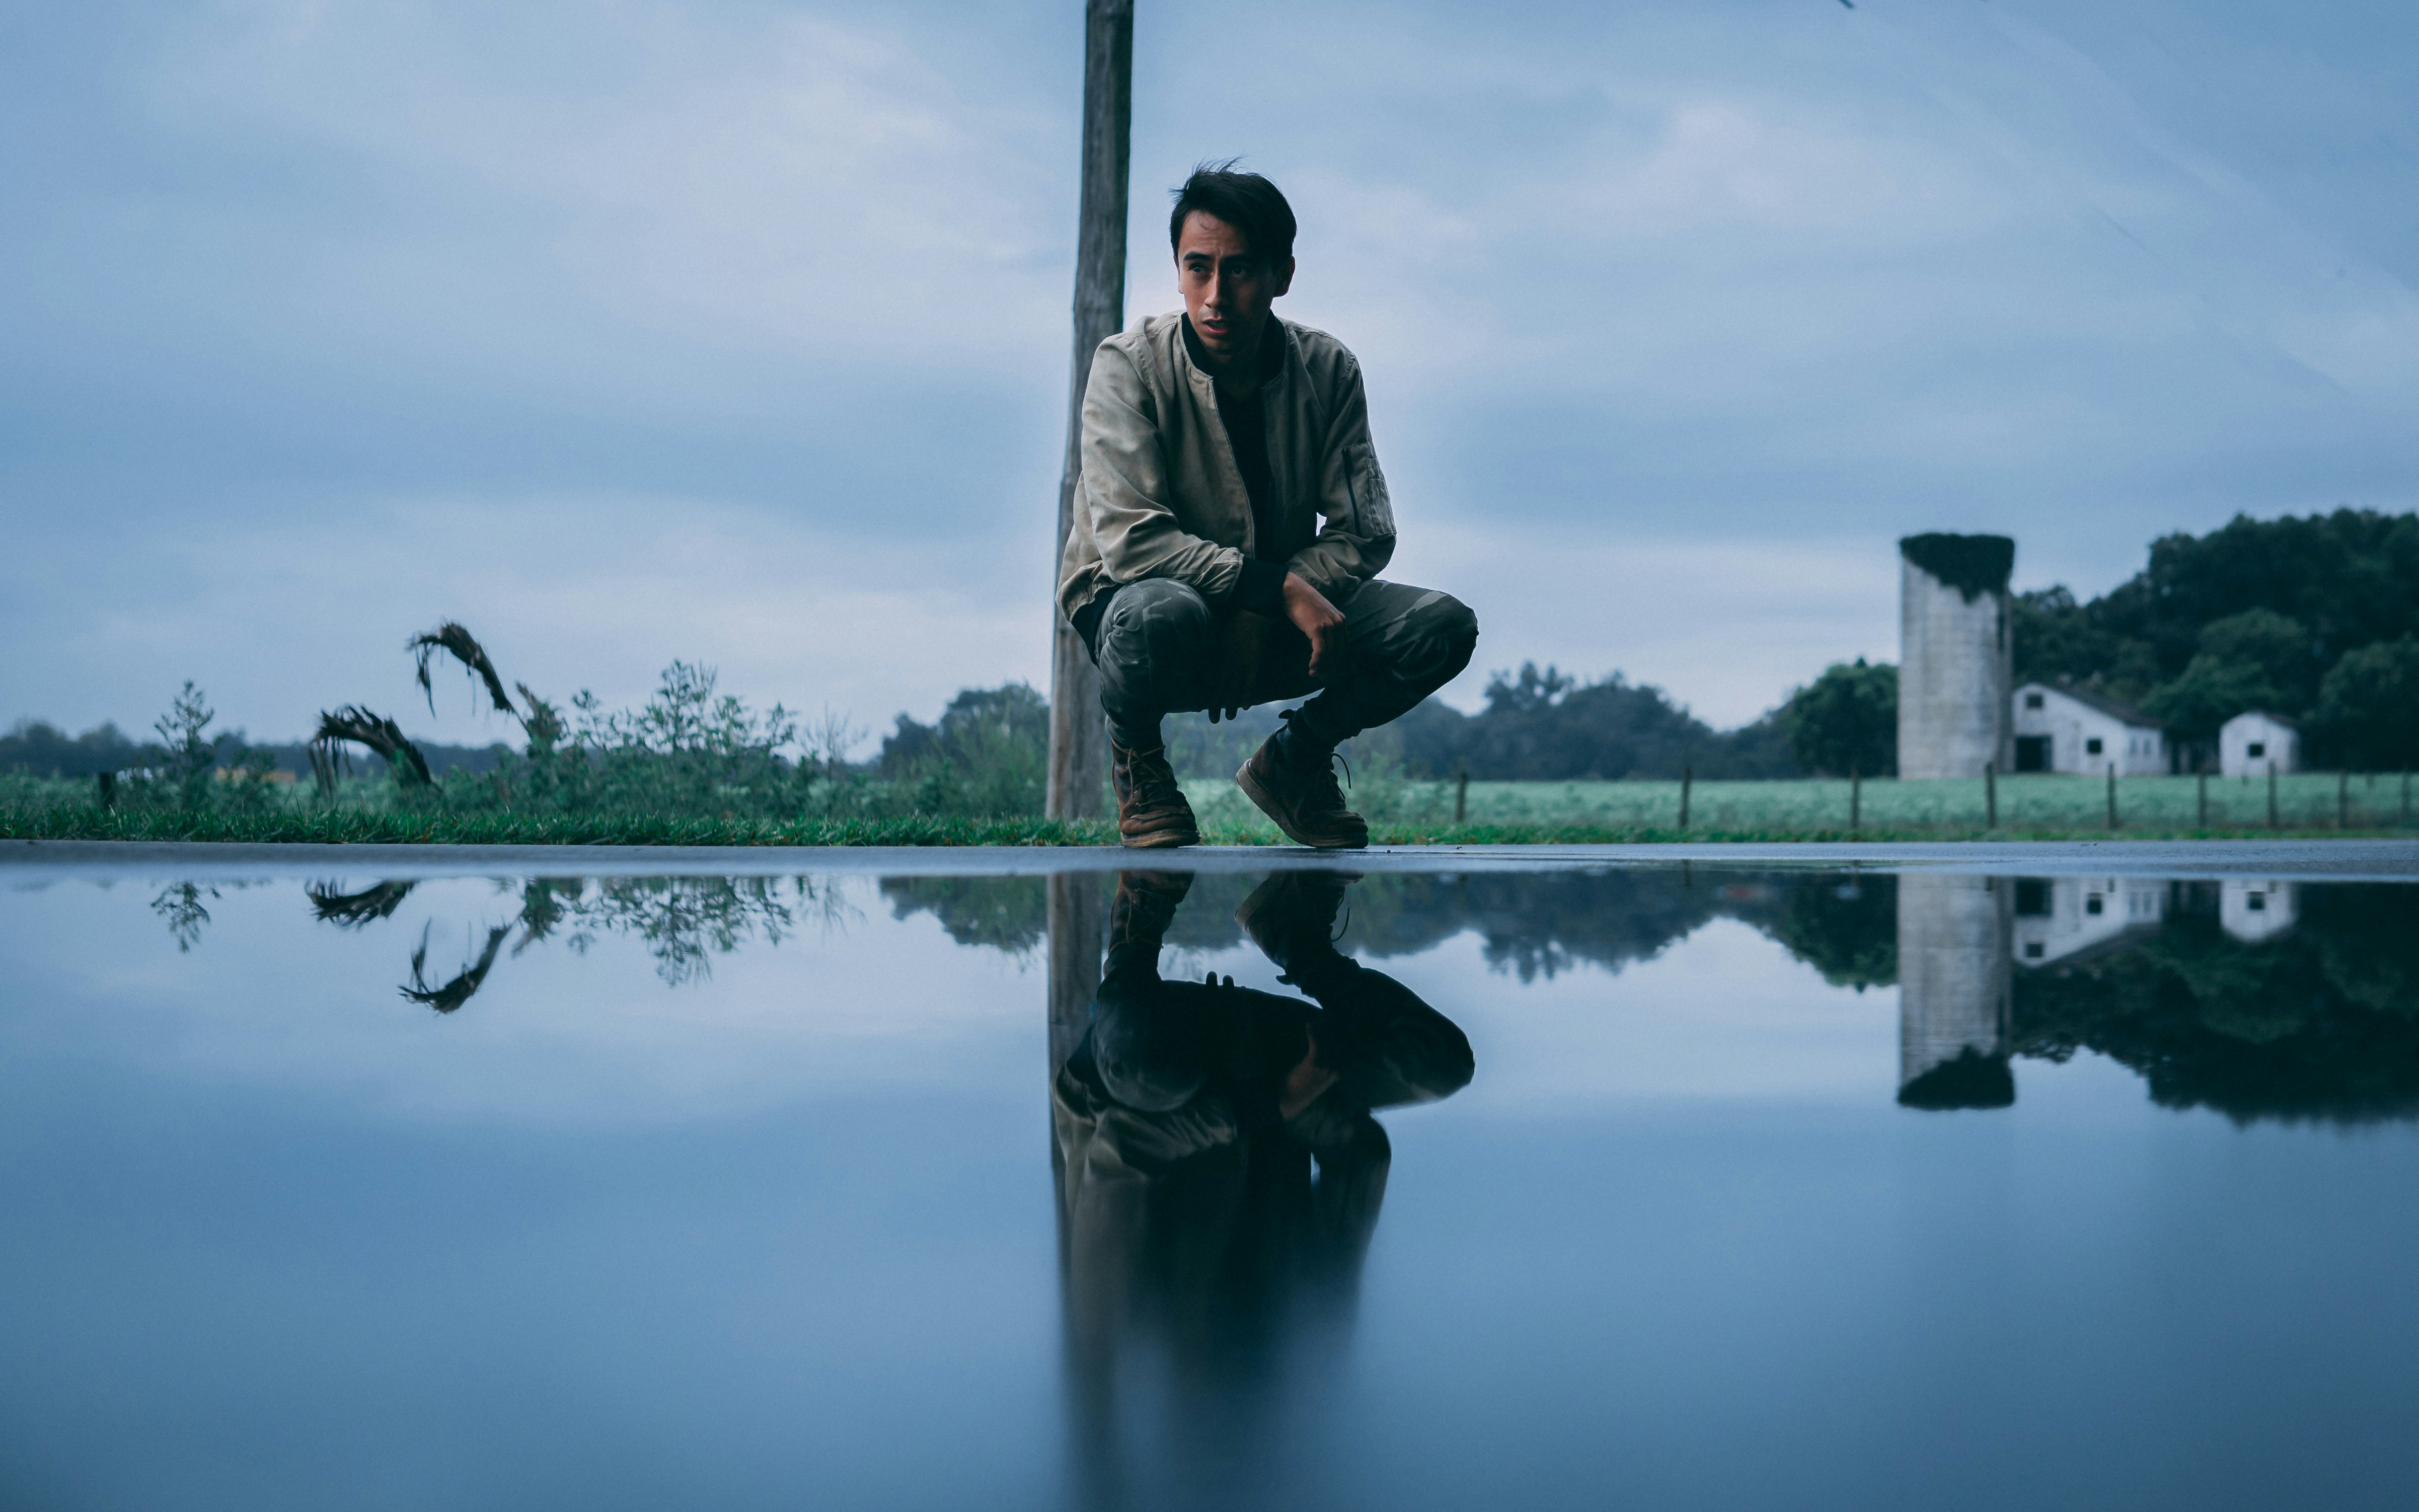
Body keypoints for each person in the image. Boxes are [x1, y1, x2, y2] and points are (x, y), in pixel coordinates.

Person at [1057, 163, 1480, 849]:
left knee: (1441, 626)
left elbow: (1364, 533)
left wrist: (1275, 602)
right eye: (1198, 269)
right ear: (1177, 271)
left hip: (1281, 617)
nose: (1216, 297)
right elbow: (1133, 543)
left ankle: (1295, 760)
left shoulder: (1329, 370)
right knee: (1156, 614)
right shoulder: (1128, 366)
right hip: (1146, 617)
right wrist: (1270, 590)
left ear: (1283, 274)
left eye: (1241, 271)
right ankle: (1140, 764)